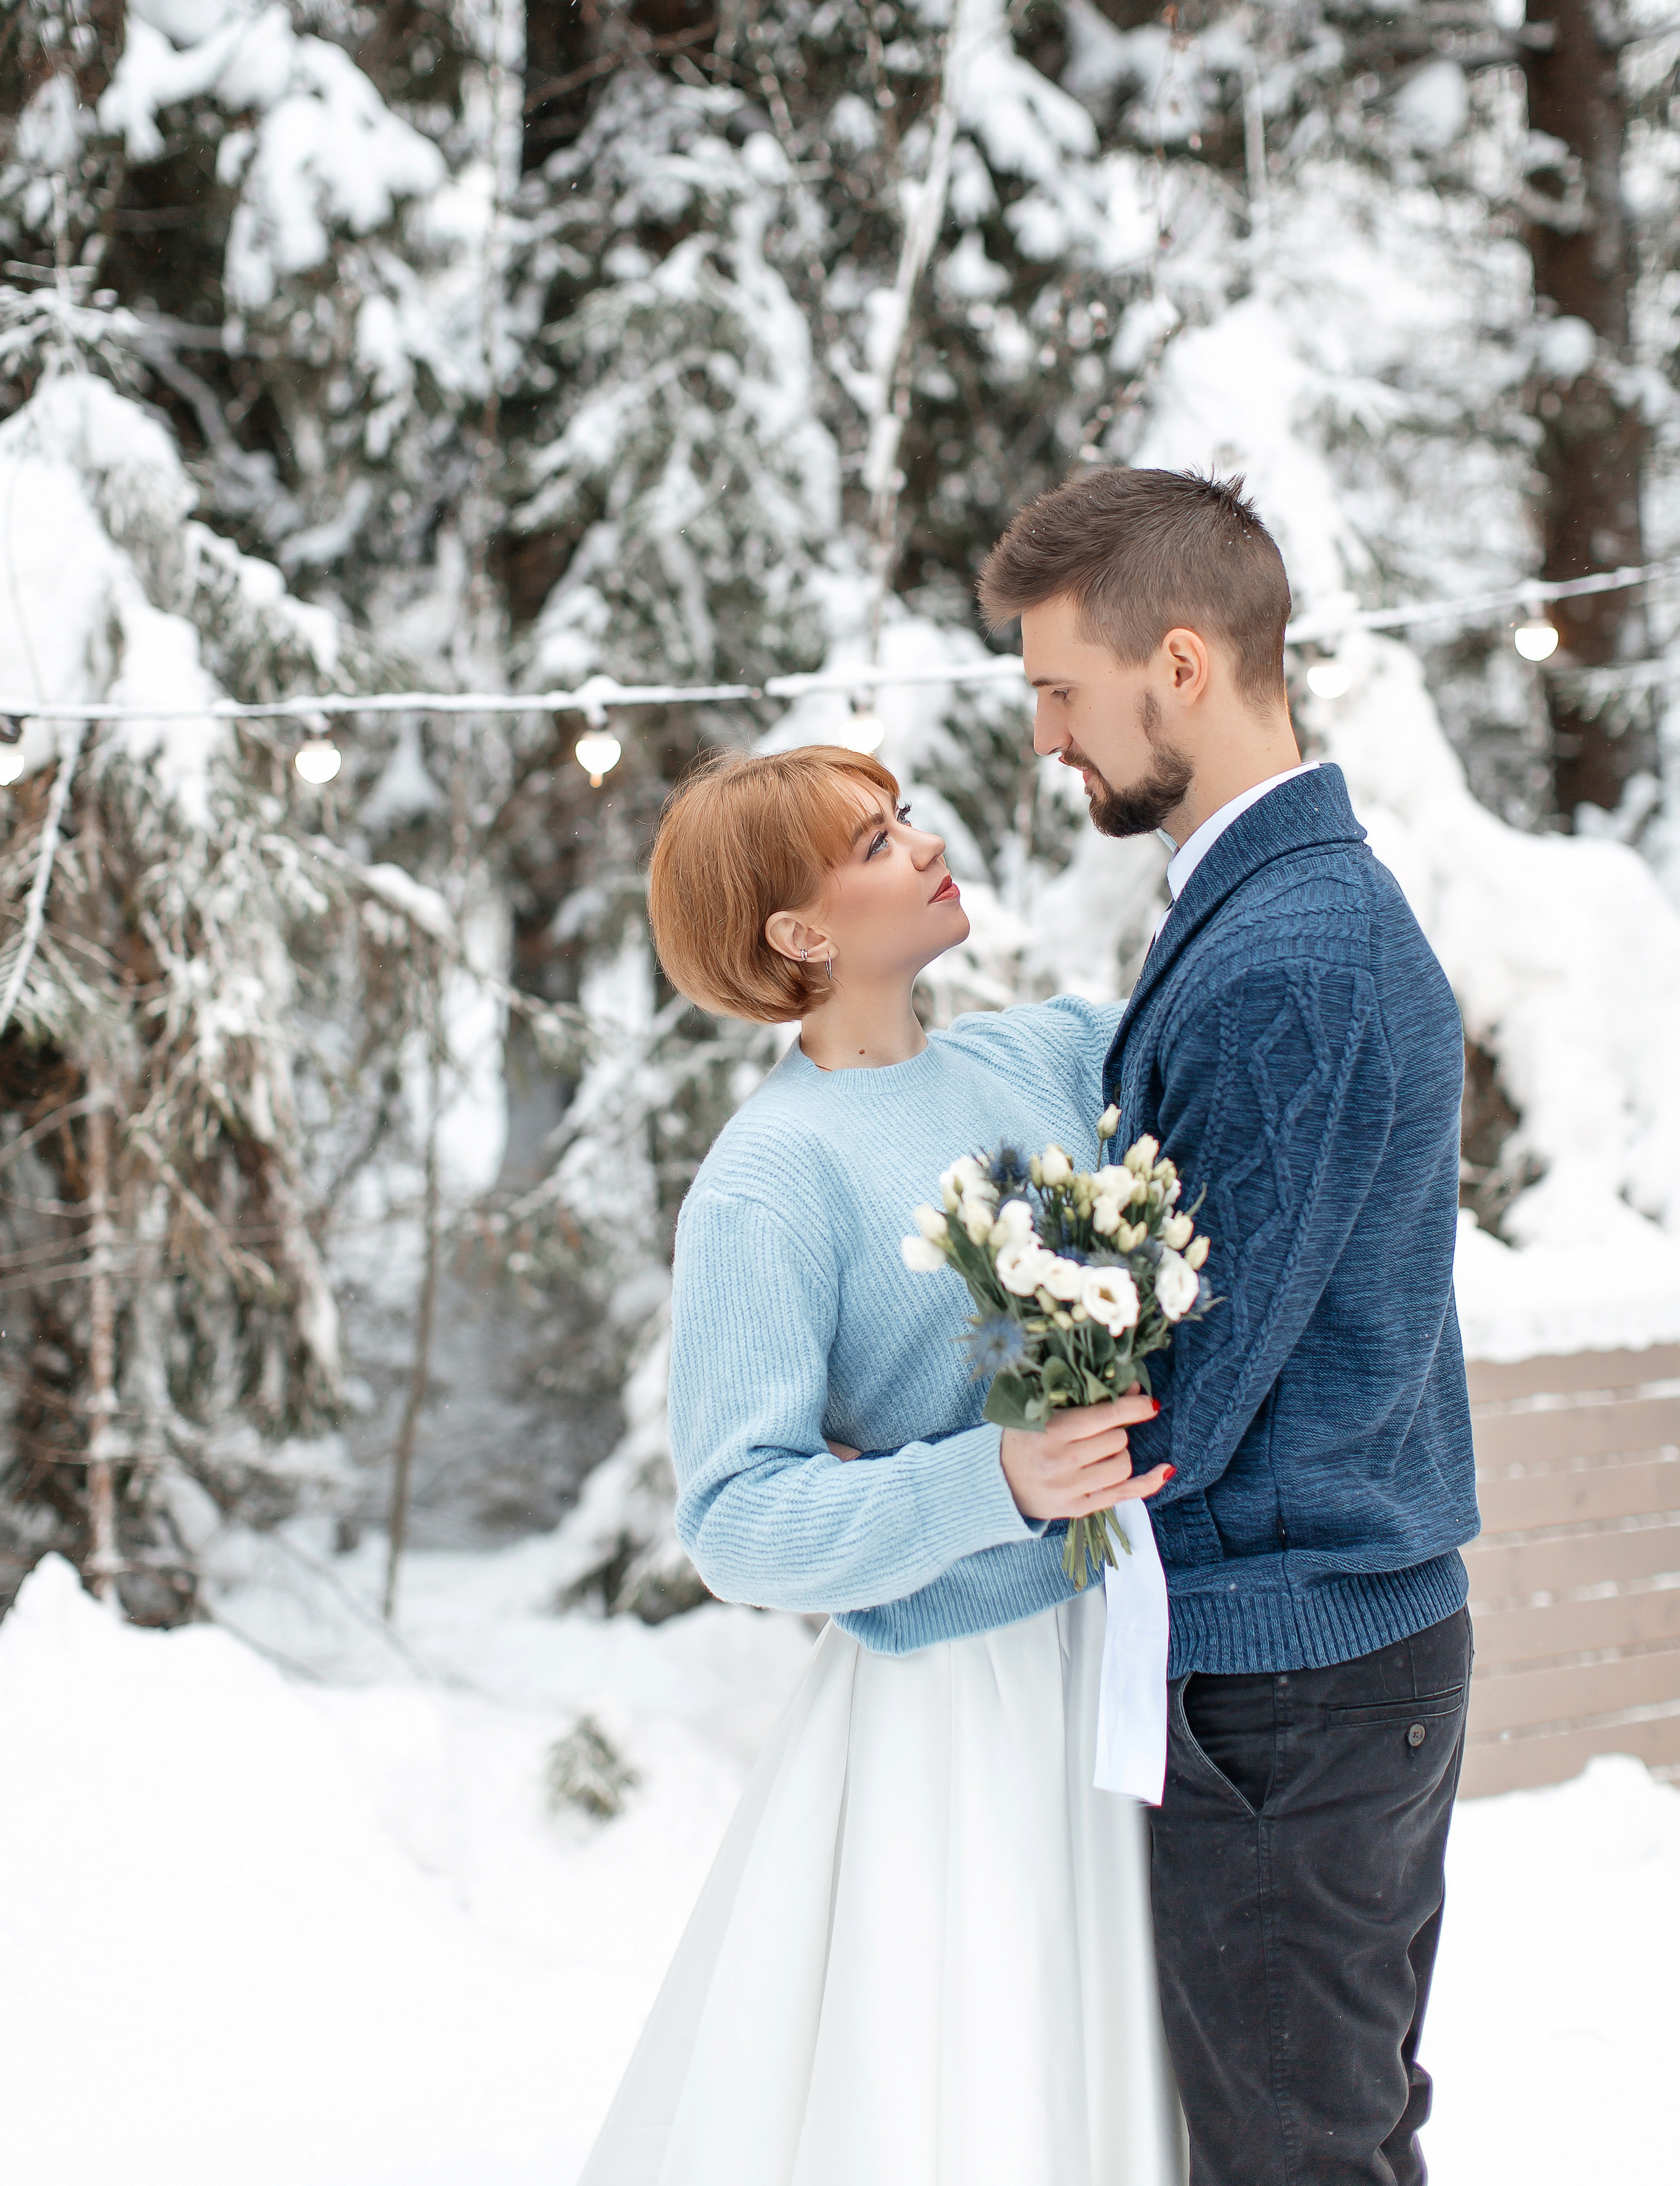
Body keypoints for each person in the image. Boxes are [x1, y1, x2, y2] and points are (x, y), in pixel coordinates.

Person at [578, 742, 1185, 2186]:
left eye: (904, 817)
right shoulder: (768, 1180)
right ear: (797, 933)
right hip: (960, 1716)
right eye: (874, 844)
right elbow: (736, 1516)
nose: (925, 844)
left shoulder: (1043, 1055)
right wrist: (992, 1482)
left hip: (1129, 1656)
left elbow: (1223, 1040)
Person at [978, 465, 1480, 2186]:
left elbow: (1188, 1388)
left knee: (1294, 2160)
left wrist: (980, 1443)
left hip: (1288, 1681)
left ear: (1179, 665)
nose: (1047, 735)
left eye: (1063, 687)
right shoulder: (1272, 910)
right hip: (1318, 1661)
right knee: (1316, 2139)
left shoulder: (1293, 960)